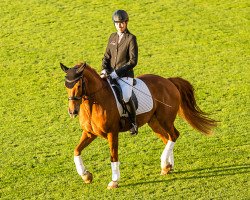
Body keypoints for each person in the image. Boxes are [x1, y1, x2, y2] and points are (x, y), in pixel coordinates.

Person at [100, 10, 139, 135]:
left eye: (122, 23)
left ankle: (133, 123)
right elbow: (106, 56)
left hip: (125, 76)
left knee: (126, 96)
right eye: (117, 23)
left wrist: (117, 73)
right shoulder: (112, 37)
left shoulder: (131, 38)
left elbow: (133, 61)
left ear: (126, 23)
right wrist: (104, 69)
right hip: (109, 75)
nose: (120, 25)